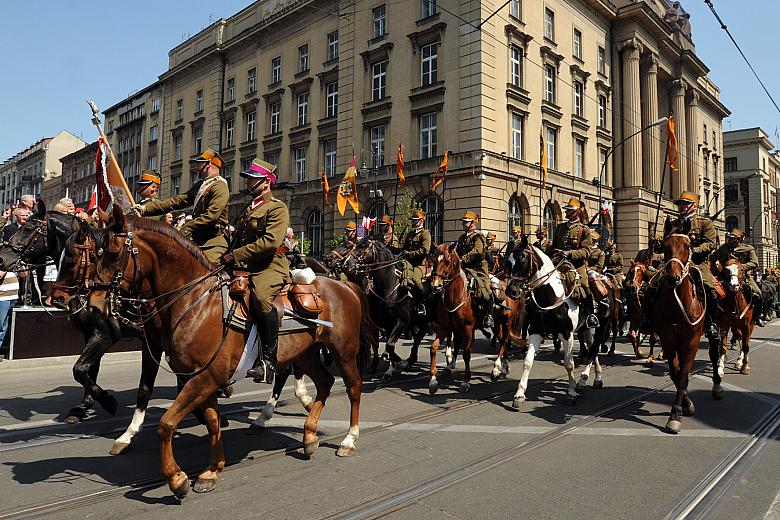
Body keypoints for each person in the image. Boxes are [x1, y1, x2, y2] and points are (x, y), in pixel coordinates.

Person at [220, 158, 289, 384]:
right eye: (249, 177)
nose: (248, 181)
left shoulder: (277, 207)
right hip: (247, 265)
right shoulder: (249, 209)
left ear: (266, 182)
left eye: (253, 178)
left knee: (260, 298)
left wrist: (236, 255)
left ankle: (268, 362)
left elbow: (270, 242)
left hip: (270, 265)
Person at [645, 191, 718, 337]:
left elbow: (710, 244)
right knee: (650, 286)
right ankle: (648, 321)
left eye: (686, 204)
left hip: (696, 262)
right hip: (673, 263)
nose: (682, 206)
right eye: (680, 204)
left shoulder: (705, 223)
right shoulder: (672, 224)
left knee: (710, 289)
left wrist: (693, 250)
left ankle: (711, 323)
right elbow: (667, 245)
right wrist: (657, 244)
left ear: (695, 206)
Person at [137, 148, 229, 262]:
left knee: (207, 273)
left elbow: (211, 216)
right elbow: (178, 201)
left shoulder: (219, 186)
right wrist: (145, 209)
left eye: (199, 163)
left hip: (213, 243)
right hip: (198, 240)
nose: (197, 167)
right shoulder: (202, 185)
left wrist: (184, 229)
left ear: (208, 164)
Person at [551, 198, 598, 327]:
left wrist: (570, 253)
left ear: (577, 212)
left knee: (584, 285)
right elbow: (553, 247)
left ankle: (590, 315)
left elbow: (586, 251)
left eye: (569, 210)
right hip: (559, 263)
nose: (566, 212)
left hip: (577, 265)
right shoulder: (560, 228)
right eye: (566, 210)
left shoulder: (584, 230)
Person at [710, 228, 765, 327]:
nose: (729, 240)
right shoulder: (723, 248)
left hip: (742, 277)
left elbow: (754, 263)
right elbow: (712, 258)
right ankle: (712, 319)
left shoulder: (748, 249)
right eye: (729, 238)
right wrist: (716, 268)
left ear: (739, 240)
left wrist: (741, 267)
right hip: (724, 276)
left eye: (732, 239)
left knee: (758, 293)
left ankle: (758, 316)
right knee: (710, 292)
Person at [456, 211, 494, 329]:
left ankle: (489, 315)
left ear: (472, 223)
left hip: (478, 269)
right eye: (463, 222)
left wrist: (464, 258)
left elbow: (478, 251)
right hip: (464, 268)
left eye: (466, 222)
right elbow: (457, 251)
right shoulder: (462, 237)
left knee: (486, 291)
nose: (463, 224)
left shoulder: (479, 237)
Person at [402, 210, 431, 315]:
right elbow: (404, 248)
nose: (412, 222)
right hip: (409, 263)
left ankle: (423, 302)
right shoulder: (410, 234)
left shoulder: (425, 234)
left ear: (421, 221)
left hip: (421, 264)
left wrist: (409, 254)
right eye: (412, 220)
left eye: (414, 220)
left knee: (415, 279)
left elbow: (425, 250)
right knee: (402, 276)